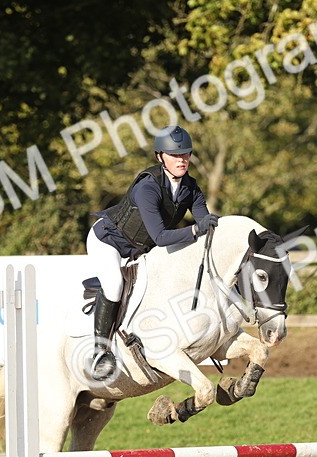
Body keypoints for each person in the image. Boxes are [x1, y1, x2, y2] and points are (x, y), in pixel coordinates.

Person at [85, 125, 220, 380]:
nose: (182, 160)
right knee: (114, 284)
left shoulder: (191, 187)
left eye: (186, 154)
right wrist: (194, 230)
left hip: (142, 249)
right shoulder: (147, 187)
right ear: (160, 157)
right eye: (175, 155)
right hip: (109, 242)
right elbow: (161, 237)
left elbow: (206, 227)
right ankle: (101, 352)